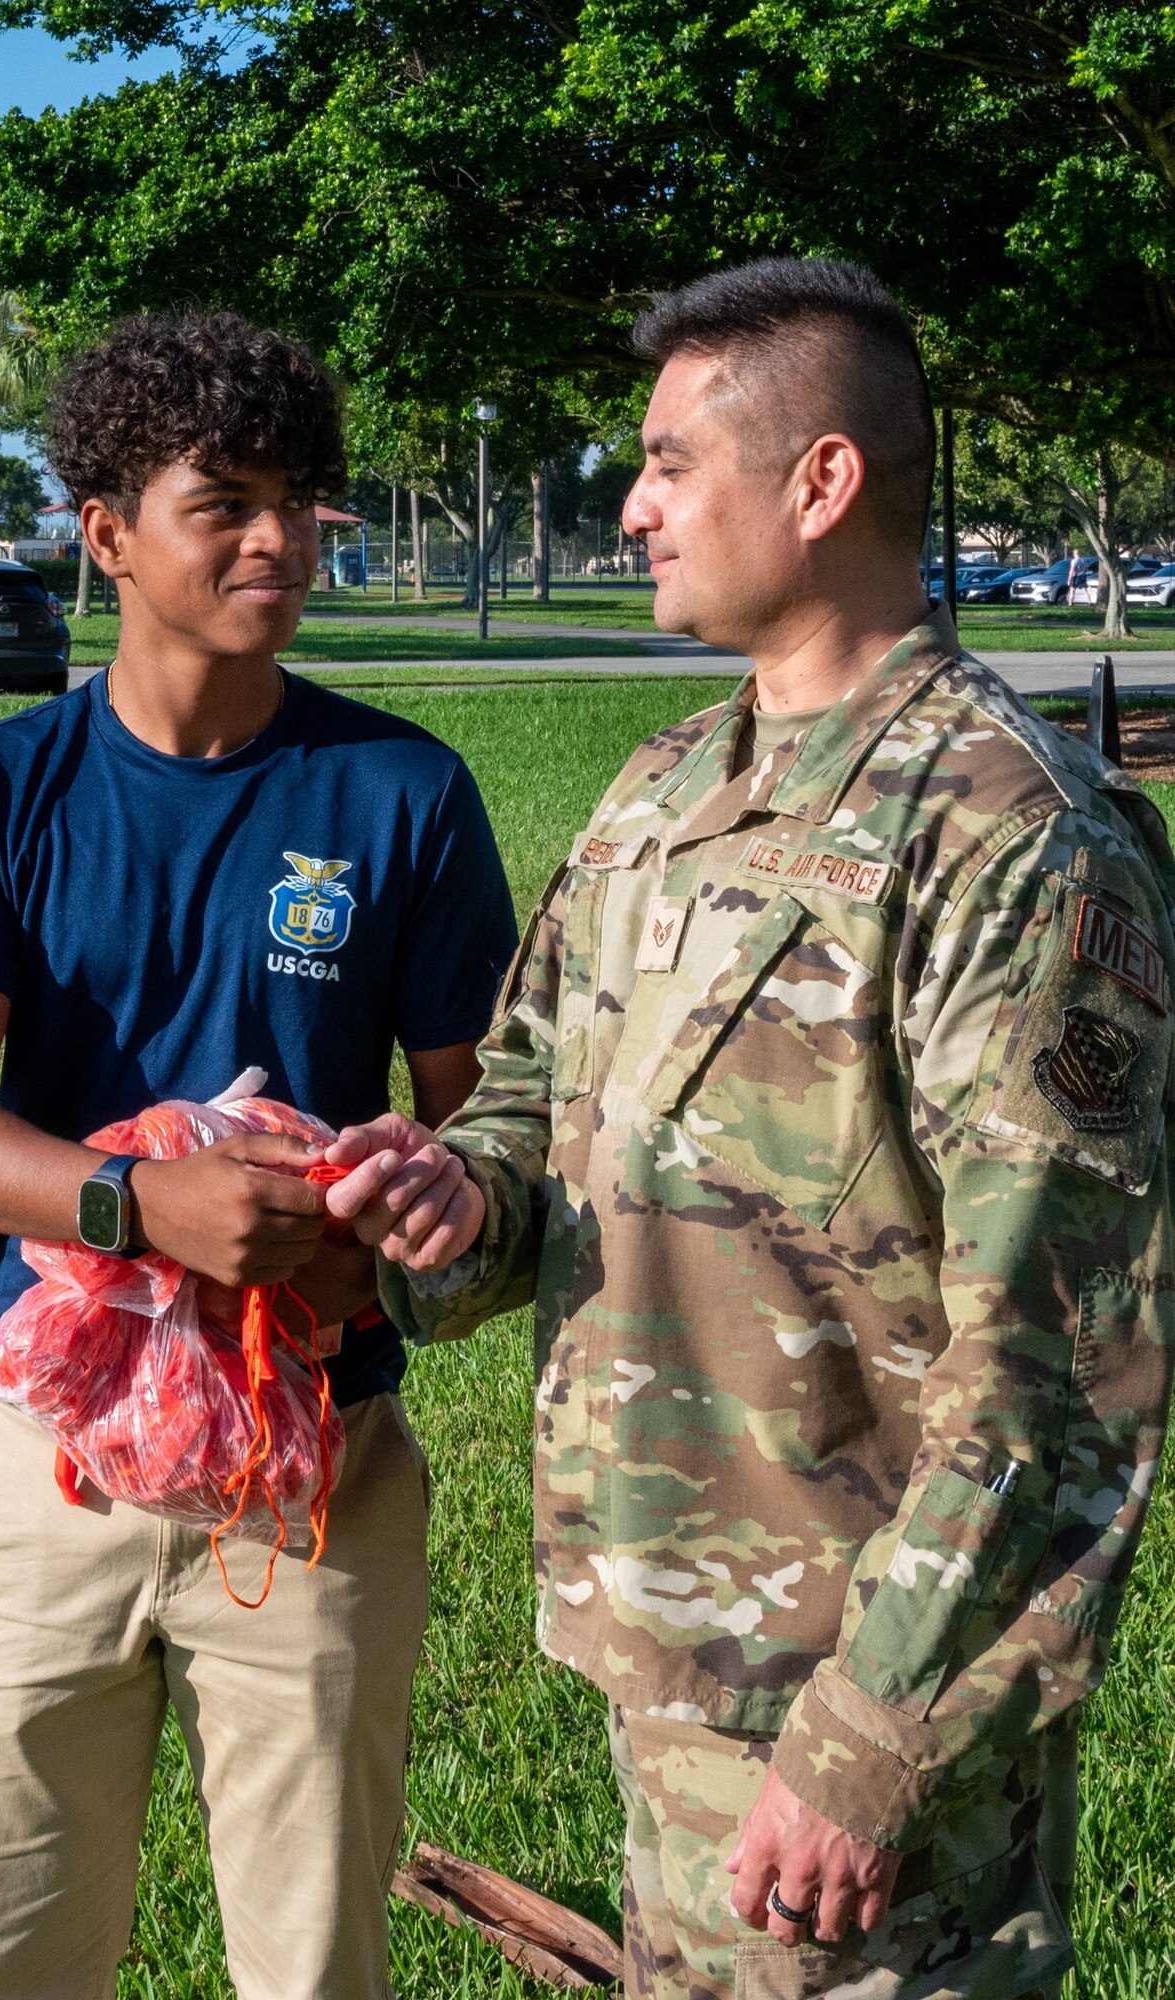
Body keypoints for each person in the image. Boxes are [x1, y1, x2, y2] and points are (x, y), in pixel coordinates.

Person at [320, 257, 1175, 1998]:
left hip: (854, 1711)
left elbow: (1063, 1361)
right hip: (668, 1653)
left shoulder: (1013, 836)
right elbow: (529, 1100)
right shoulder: (661, 795)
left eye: (666, 464)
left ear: (822, 480)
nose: (630, 507)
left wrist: (875, 1738)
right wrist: (448, 1196)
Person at [0, 309, 518, 2000]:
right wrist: (135, 1203)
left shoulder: (405, 793)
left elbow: (485, 1128)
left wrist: (393, 1206)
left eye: (301, 498)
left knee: (314, 1968)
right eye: (223, 500)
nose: (279, 540)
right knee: (16, 1961)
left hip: (316, 1467)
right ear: (106, 535)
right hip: (41, 1463)